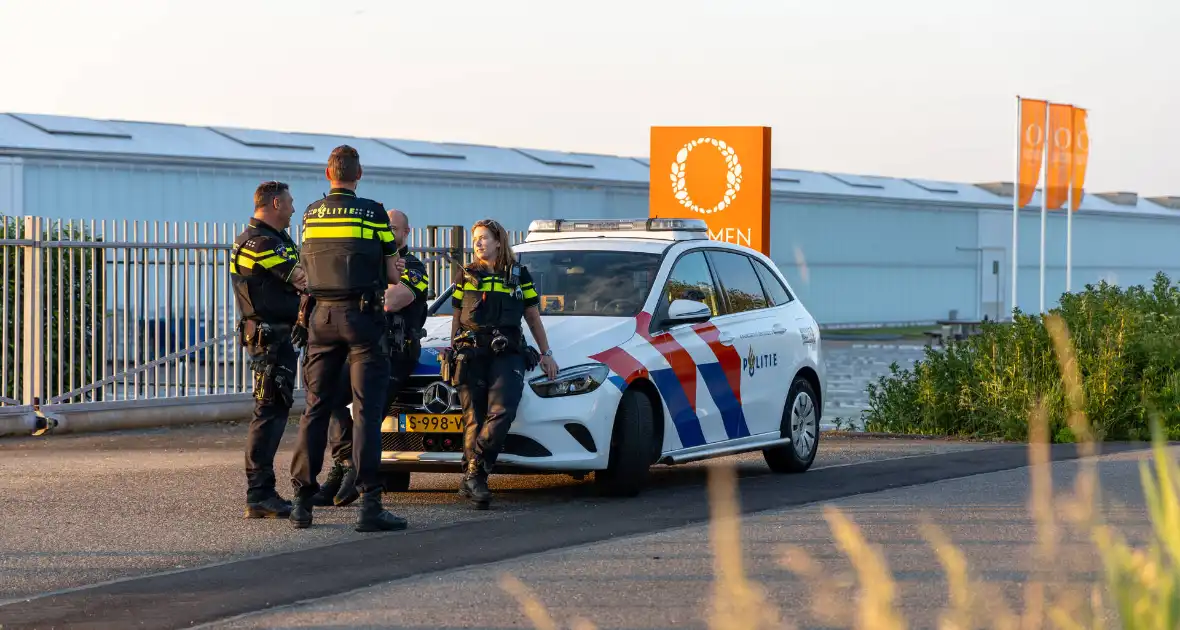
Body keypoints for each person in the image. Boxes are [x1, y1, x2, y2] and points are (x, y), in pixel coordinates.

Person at [287, 144, 408, 532]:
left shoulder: (310, 213)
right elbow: (392, 274)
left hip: (320, 317)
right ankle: (369, 504)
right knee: (366, 411)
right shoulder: (372, 211)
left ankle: (302, 503)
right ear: (359, 175)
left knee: (316, 409)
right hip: (362, 318)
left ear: (328, 174)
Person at [312, 208, 430, 507]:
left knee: (369, 412)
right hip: (365, 348)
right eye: (385, 229)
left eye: (394, 229)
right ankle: (344, 464)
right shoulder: (374, 265)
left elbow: (392, 301)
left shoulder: (414, 266)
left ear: (406, 233)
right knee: (329, 397)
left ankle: (359, 478)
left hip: (396, 350)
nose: (389, 234)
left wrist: (370, 288)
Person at [445, 218, 558, 509]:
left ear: (498, 242)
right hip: (471, 351)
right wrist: (452, 348)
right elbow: (456, 317)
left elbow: (532, 316)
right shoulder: (466, 275)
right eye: (475, 239)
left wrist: (546, 353)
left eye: (484, 238)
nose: (479, 244)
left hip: (507, 352)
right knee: (473, 417)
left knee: (502, 411)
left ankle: (475, 472)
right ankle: (473, 479)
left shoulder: (519, 275)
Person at [230, 180, 307, 519]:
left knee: (273, 411)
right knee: (269, 413)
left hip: (275, 337)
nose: (293, 208)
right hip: (269, 341)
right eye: (289, 202)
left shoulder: (272, 239)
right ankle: (259, 493)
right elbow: (304, 279)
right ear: (275, 203)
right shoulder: (261, 243)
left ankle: (261, 491)